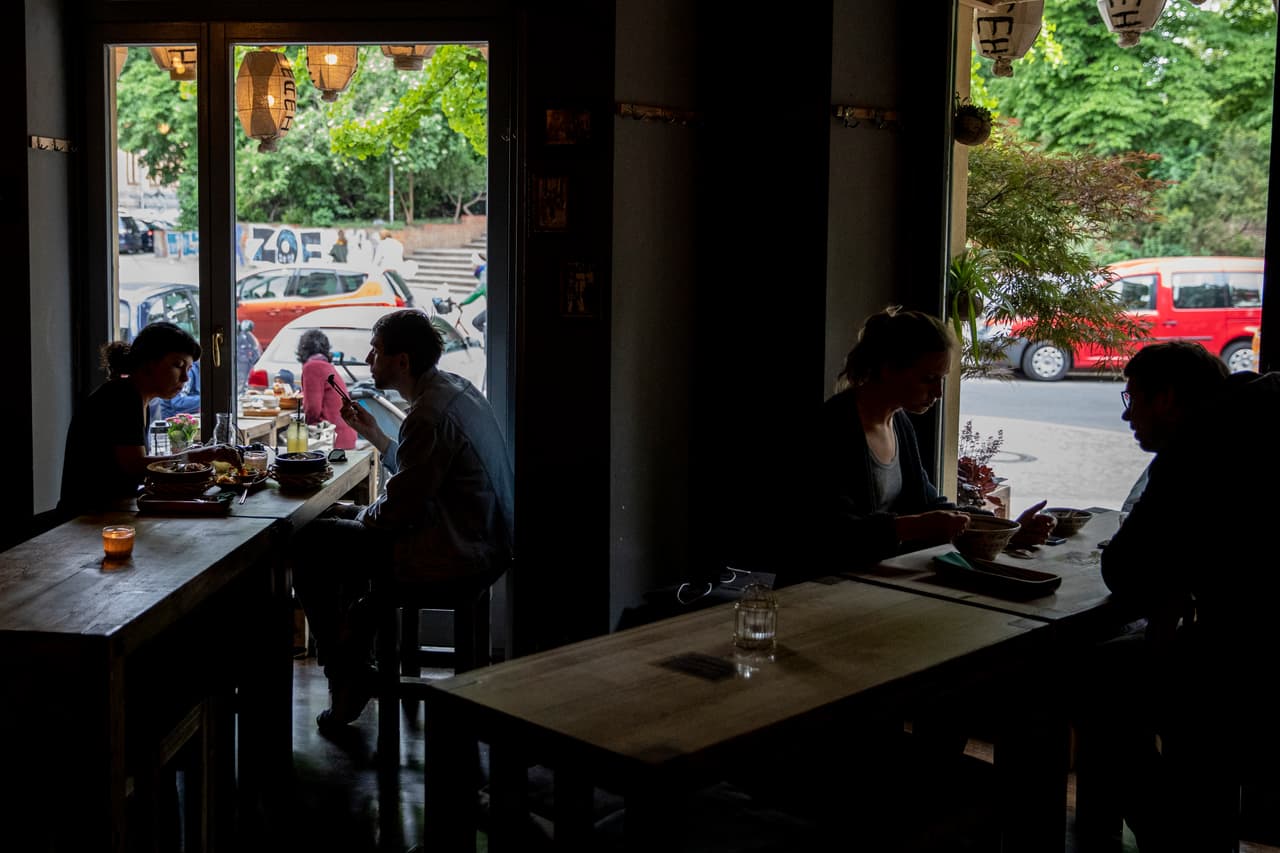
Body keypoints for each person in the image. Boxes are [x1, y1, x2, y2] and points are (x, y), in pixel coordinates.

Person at [1074, 341, 1280, 851]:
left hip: (1245, 663)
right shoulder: (1260, 415)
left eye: (1133, 400)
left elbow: (1128, 568)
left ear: (1166, 398)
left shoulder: (1201, 446)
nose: (1129, 418)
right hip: (1252, 648)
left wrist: (1171, 586)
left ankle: (1175, 837)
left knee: (1097, 676)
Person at [290, 309, 515, 730]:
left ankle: (344, 668)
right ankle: (354, 650)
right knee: (339, 533)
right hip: (481, 540)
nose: (369, 361)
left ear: (402, 361)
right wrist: (375, 435)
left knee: (307, 541)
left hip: (456, 553)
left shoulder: (427, 416)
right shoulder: (454, 390)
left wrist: (356, 513)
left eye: (376, 353)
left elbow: (393, 514)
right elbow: (420, 477)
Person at [819, 306, 1054, 570]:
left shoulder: (899, 424)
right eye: (928, 379)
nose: (938, 393)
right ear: (888, 369)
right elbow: (833, 533)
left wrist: (1006, 531)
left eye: (941, 379)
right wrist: (915, 526)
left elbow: (927, 502)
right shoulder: (833, 427)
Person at [57, 322, 241, 517]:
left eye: (188, 369)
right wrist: (200, 455)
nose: (186, 378)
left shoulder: (141, 399)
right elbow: (135, 466)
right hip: (86, 517)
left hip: (110, 510)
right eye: (178, 365)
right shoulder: (122, 396)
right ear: (148, 363)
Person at [296, 329, 357, 451]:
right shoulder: (326, 366)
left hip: (332, 441)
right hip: (345, 437)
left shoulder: (312, 367)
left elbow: (312, 410)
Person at [459, 251, 487, 338]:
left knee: (477, 323)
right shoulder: (486, 270)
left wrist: (463, 303)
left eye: (473, 263)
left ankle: (489, 337)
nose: (471, 266)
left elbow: (477, 292)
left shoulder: (484, 273)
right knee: (477, 322)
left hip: (494, 308)